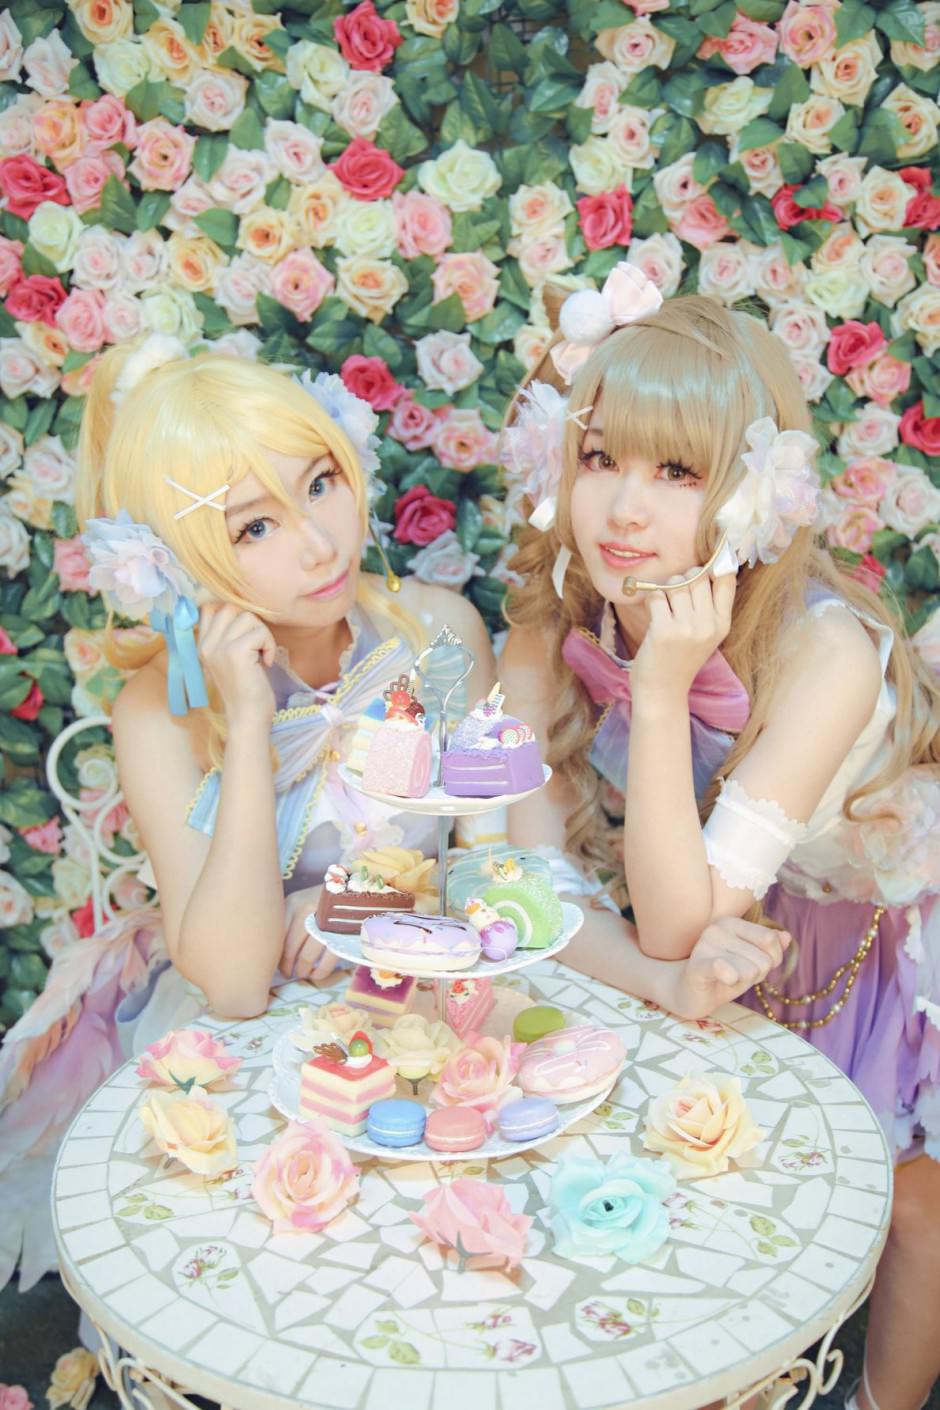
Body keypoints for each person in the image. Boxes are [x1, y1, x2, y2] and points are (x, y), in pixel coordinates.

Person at [0, 333, 784, 1294]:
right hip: (257, 1039)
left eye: (320, 483)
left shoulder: (437, 634)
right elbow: (236, 986)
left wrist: (363, 907)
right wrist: (247, 725)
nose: (319, 543)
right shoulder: (163, 713)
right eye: (253, 527)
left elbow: (498, 882)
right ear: (172, 563)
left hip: (427, 1012)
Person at [499, 266, 940, 1410]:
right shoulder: (558, 623)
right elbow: (528, 885)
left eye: (678, 473)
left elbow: (677, 921)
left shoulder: (822, 651)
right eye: (600, 458)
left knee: (909, 1202)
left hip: (877, 927)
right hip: (719, 923)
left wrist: (658, 693)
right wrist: (649, 968)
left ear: (753, 492)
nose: (623, 510)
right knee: (697, 1180)